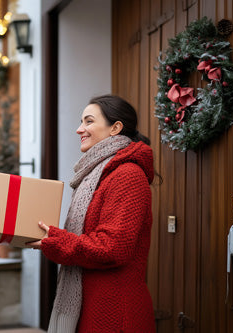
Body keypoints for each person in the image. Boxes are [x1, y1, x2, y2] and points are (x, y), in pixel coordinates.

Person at [28, 94, 156, 332]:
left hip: (115, 312)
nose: (79, 129)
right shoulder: (96, 175)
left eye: (88, 121)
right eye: (81, 122)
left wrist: (56, 240)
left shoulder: (128, 175)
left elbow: (112, 247)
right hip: (93, 306)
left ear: (115, 128)